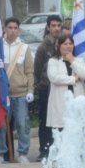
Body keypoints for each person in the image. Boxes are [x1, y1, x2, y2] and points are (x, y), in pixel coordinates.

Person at [0, 18, 35, 164]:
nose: (12, 30)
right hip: (3, 94)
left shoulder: (25, 48)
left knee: (23, 125)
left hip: (21, 93)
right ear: (4, 29)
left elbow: (29, 71)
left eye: (15, 28)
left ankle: (23, 153)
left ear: (19, 30)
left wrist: (30, 90)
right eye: (10, 27)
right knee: (1, 125)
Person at [33, 14, 63, 160]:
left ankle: (60, 148)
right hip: (46, 89)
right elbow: (37, 70)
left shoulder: (65, 43)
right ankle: (44, 149)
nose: (56, 28)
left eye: (58, 25)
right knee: (45, 120)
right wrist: (41, 85)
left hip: (62, 89)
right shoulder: (43, 47)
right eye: (53, 25)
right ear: (48, 27)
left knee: (61, 119)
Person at [46, 36, 85, 131]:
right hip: (60, 102)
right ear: (59, 46)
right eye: (65, 44)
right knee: (62, 131)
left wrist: (72, 61)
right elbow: (54, 78)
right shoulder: (53, 61)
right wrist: (73, 79)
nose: (68, 46)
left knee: (77, 130)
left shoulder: (79, 61)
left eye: (70, 44)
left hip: (76, 99)